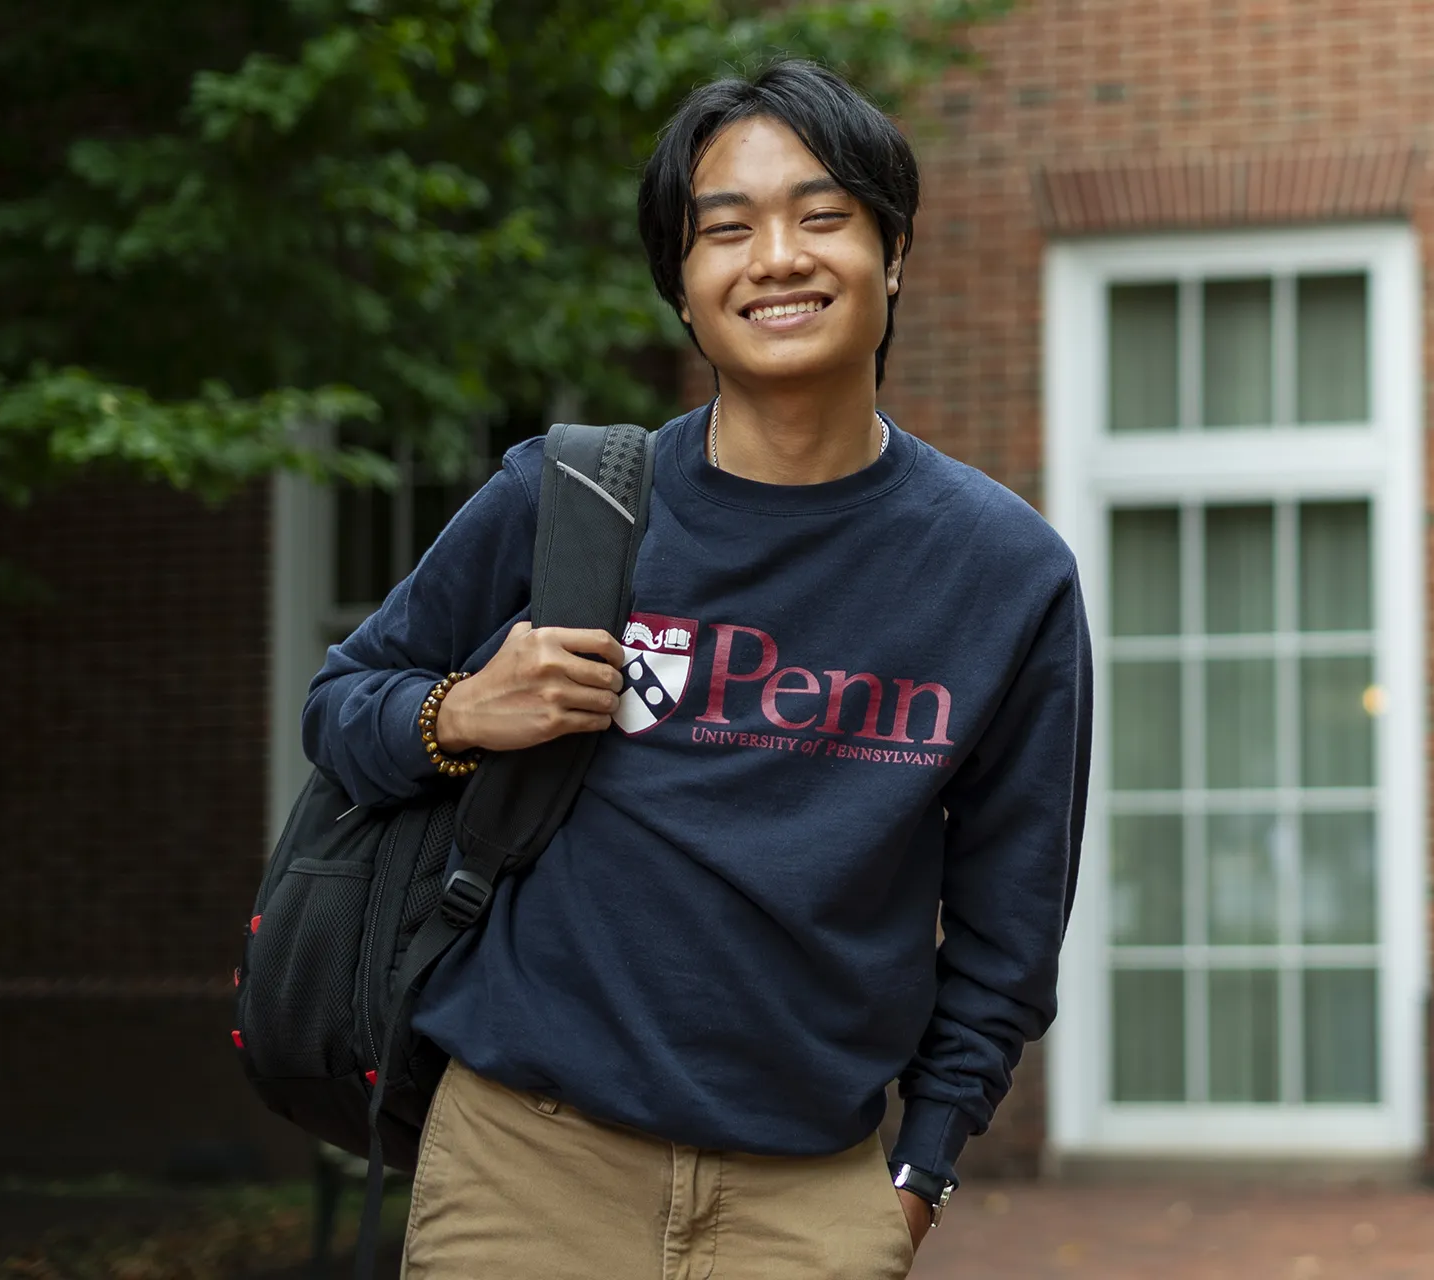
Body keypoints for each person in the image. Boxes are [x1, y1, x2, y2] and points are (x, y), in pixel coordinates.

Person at [303, 59, 1092, 1279]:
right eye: (725, 229)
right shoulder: (562, 496)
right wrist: (463, 709)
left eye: (821, 216)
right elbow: (341, 704)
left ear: (894, 256)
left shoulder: (1005, 571)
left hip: (811, 1196)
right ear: (684, 287)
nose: (776, 257)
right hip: (526, 1165)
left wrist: (919, 1172)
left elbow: (1010, 925)